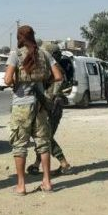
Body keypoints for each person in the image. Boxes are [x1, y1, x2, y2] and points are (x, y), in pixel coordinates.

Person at [4, 26, 63, 195]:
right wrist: (46, 88)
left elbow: (7, 80)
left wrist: (16, 81)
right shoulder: (44, 54)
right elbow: (58, 76)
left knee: (19, 145)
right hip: (40, 105)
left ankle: (21, 186)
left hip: (21, 105)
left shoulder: (15, 54)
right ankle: (47, 182)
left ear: (19, 38)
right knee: (43, 143)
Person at [26, 42, 72, 177]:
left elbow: (52, 92)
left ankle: (64, 163)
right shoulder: (53, 68)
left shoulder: (55, 70)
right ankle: (37, 164)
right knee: (42, 135)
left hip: (52, 106)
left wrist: (43, 102)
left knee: (45, 136)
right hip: (51, 105)